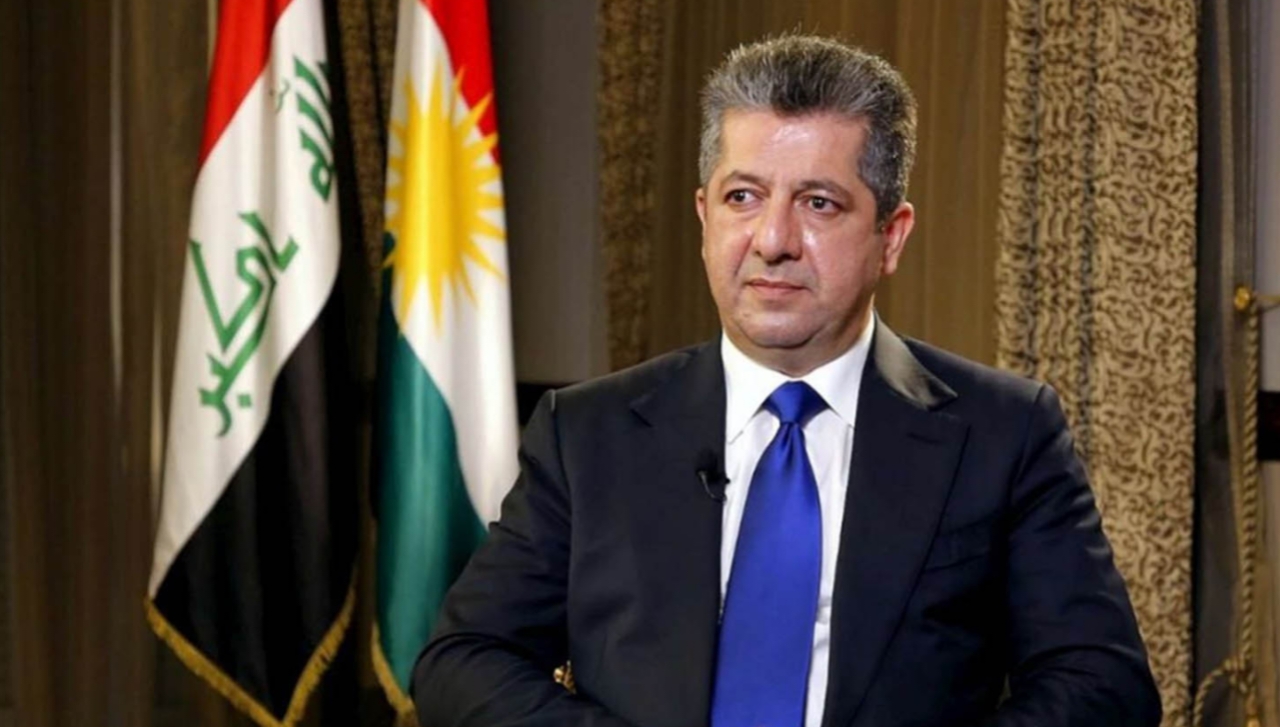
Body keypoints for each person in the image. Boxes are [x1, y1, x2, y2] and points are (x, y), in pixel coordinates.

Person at [413, 34, 1161, 727]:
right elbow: (462, 661)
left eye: (818, 203)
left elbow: (1104, 684)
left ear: (890, 236)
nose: (772, 241)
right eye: (742, 197)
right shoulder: (587, 434)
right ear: (704, 217)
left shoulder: (1005, 433)